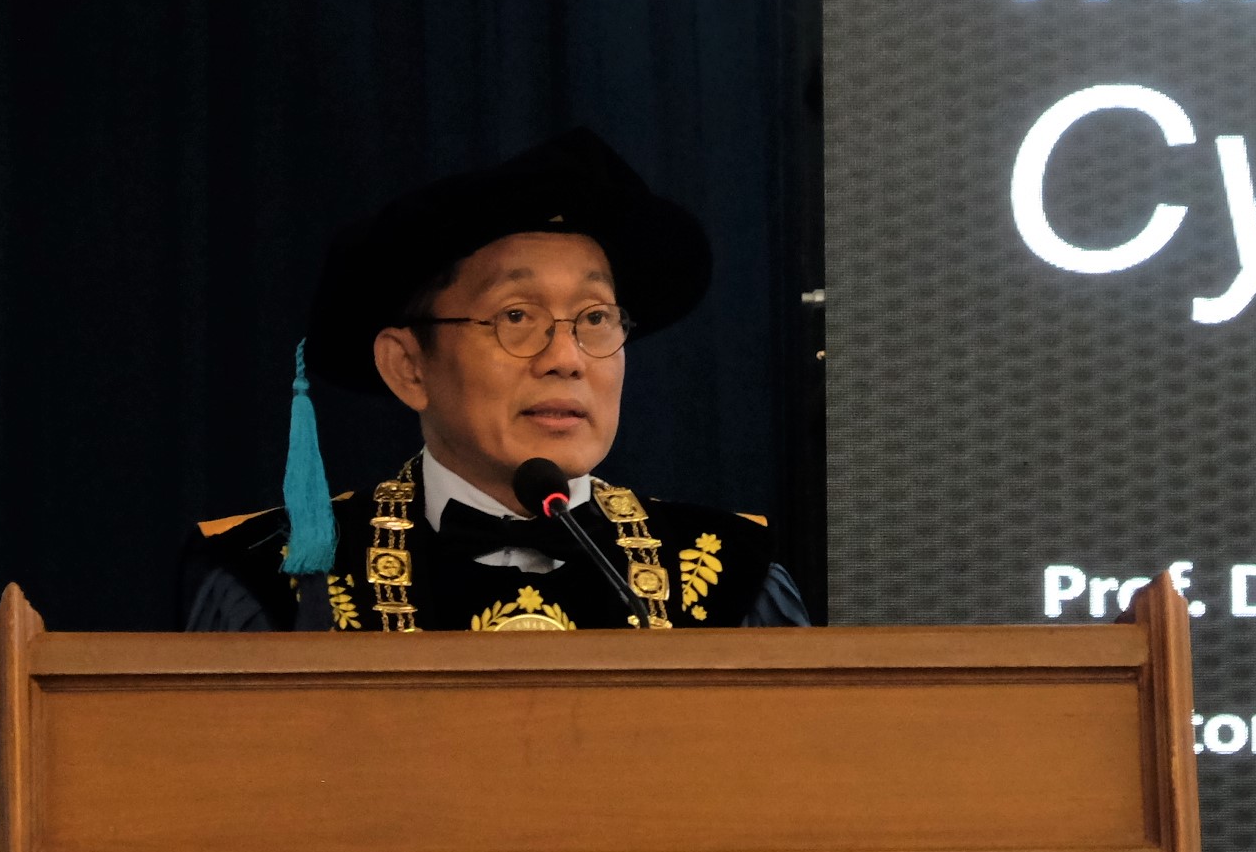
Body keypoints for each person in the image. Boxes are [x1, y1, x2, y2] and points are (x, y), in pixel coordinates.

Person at [182, 126, 804, 633]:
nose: (566, 358)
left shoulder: (726, 575)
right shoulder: (284, 579)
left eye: (595, 318)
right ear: (408, 366)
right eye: (517, 317)